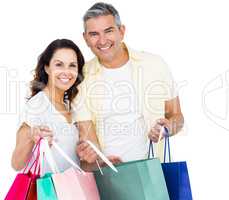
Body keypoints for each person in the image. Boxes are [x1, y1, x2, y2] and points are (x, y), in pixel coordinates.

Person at [73, 2, 184, 170]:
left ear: (121, 31)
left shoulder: (154, 64)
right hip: (105, 175)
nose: (102, 41)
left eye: (108, 31)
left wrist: (167, 129)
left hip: (152, 172)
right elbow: (87, 134)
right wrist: (102, 162)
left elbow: (177, 116)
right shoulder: (81, 76)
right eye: (94, 34)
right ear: (85, 38)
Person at [11, 39, 85, 173]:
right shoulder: (36, 106)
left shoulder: (72, 105)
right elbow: (16, 164)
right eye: (59, 64)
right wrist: (31, 137)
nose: (66, 72)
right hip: (48, 191)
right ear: (47, 68)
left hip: (74, 190)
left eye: (72, 65)